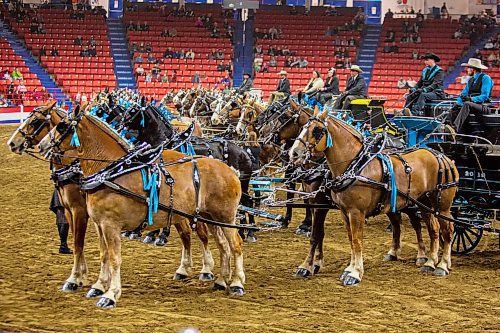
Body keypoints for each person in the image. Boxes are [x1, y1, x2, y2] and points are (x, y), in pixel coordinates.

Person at [449, 58, 494, 133]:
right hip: (472, 104)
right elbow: (464, 93)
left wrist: (471, 99)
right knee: (456, 107)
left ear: (473, 69)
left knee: (467, 104)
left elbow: (485, 96)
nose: (467, 70)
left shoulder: (486, 78)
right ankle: (447, 125)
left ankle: (455, 128)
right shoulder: (471, 80)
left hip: (483, 106)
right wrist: (458, 103)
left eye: (468, 68)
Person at [49, 189, 73, 254]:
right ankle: (63, 245)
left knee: (62, 217)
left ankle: (63, 245)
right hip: (65, 190)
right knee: (63, 218)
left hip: (61, 189)